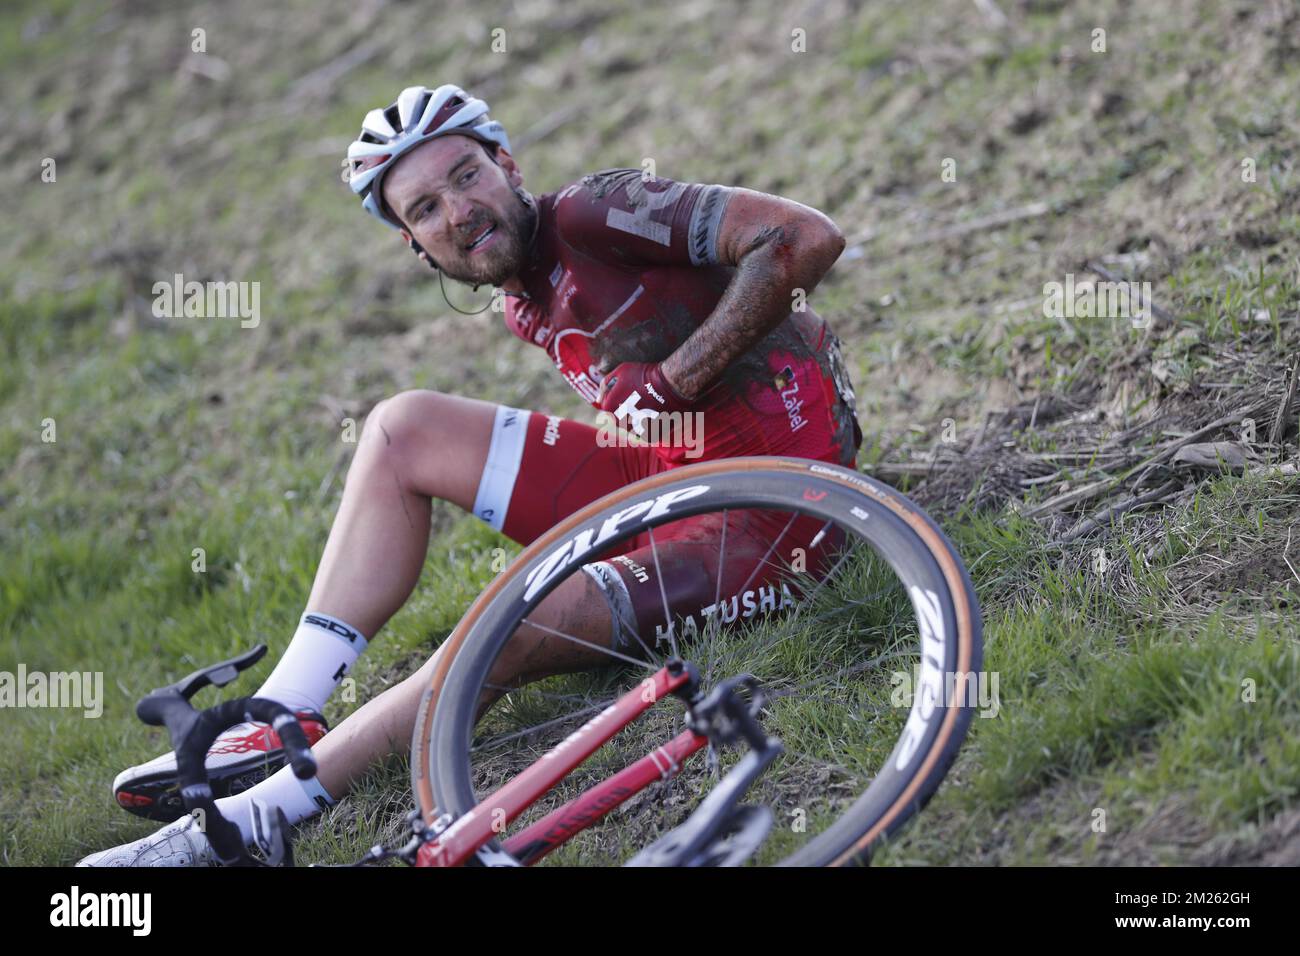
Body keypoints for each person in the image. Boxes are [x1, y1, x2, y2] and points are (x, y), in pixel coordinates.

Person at [78, 83, 862, 866]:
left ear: (508, 165)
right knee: (400, 428)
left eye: (465, 176)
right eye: (424, 210)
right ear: (416, 246)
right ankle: (282, 708)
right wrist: (667, 401)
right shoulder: (520, 293)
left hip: (781, 511)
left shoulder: (595, 211)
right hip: (676, 474)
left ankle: (248, 821)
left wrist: (674, 381)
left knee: (515, 619)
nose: (457, 212)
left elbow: (803, 237)